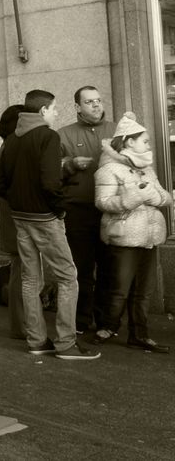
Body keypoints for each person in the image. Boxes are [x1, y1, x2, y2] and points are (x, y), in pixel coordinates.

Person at [0, 89, 99, 360]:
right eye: (54, 108)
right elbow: (51, 183)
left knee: (30, 279)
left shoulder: (13, 140)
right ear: (42, 111)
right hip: (45, 218)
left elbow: (0, 184)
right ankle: (66, 343)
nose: (56, 113)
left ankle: (37, 340)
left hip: (21, 218)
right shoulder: (47, 137)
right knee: (67, 277)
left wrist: (20, 203)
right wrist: (59, 210)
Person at [92, 113, 171, 353]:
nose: (149, 144)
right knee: (119, 289)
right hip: (123, 236)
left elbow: (165, 197)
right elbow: (102, 202)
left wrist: (151, 195)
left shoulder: (147, 168)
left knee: (144, 291)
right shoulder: (108, 169)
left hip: (150, 236)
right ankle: (108, 326)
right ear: (128, 142)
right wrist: (136, 196)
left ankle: (140, 334)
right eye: (144, 141)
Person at [58, 86, 115, 333]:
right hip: (79, 211)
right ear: (78, 107)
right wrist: (70, 164)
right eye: (89, 102)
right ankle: (81, 321)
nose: (96, 105)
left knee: (108, 268)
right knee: (81, 269)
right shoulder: (63, 135)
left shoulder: (116, 131)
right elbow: (51, 171)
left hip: (110, 211)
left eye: (99, 101)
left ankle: (105, 321)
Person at [0, 104, 26, 340]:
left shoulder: (7, 146)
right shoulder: (12, 147)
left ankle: (20, 323)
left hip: (12, 218)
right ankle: (21, 324)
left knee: (21, 270)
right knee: (23, 272)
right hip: (17, 218)